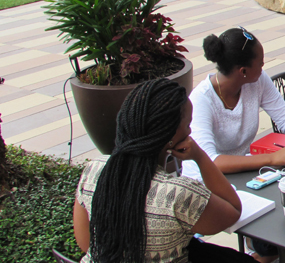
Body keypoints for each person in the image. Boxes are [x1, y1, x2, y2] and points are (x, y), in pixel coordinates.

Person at [73, 78, 254, 263]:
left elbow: (86, 243)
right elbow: (232, 210)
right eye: (187, 125)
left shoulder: (94, 170)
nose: (190, 131)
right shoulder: (178, 194)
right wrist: (200, 157)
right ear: (171, 136)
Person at [183, 26, 285, 179]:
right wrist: (271, 158)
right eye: (260, 64)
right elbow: (210, 161)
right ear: (243, 71)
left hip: (242, 173)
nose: (263, 67)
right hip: (204, 181)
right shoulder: (201, 100)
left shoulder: (258, 80)